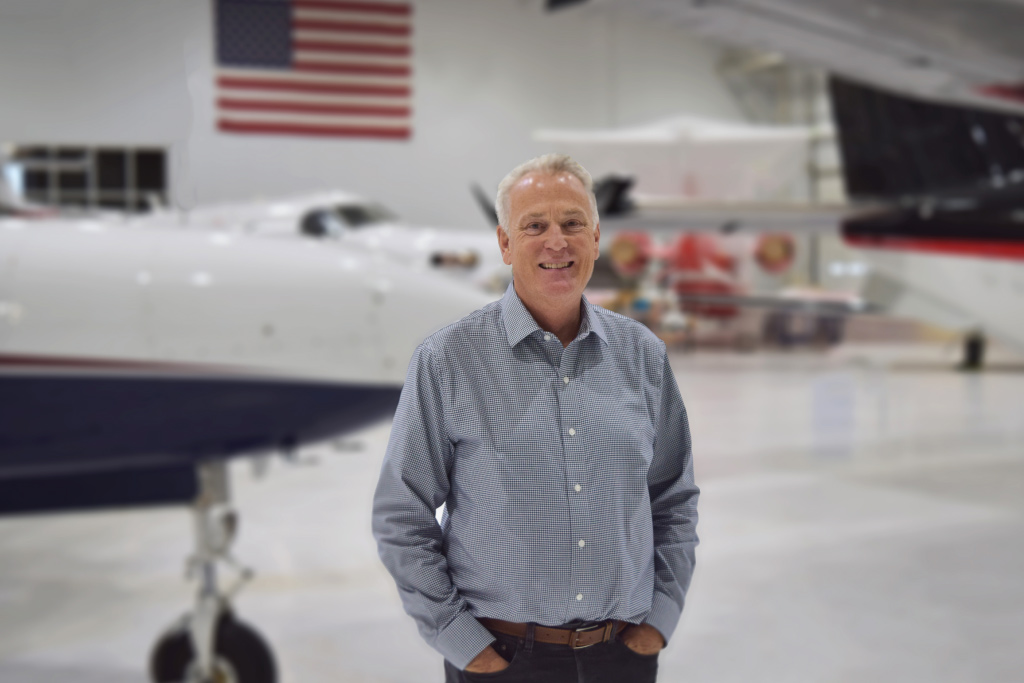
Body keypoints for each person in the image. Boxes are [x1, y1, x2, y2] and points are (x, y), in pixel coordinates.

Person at [372, 154, 699, 682]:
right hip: (501, 660)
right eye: (535, 226)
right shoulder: (449, 359)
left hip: (621, 657)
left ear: (595, 238)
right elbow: (402, 514)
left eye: (572, 224)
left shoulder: (643, 354)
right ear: (505, 243)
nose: (557, 242)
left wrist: (658, 621)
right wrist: (463, 643)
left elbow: (673, 497)